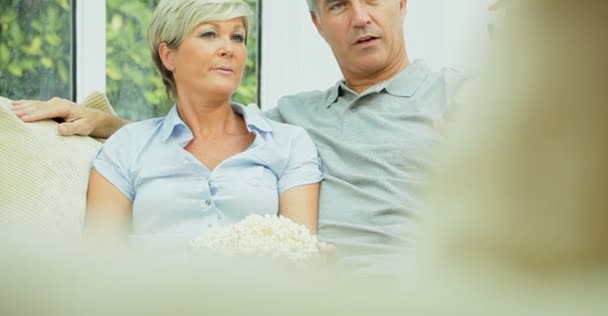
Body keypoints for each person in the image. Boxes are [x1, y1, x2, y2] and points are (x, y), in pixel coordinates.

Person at [12, 0, 466, 273]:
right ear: (318, 24)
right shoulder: (295, 119)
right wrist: (104, 124)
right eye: (337, 5)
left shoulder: (463, 97)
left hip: (418, 291)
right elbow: (204, 136)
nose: (361, 17)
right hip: (315, 304)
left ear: (402, 2)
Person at [44, 0, 323, 249]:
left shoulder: (289, 143)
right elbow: (99, 258)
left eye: (237, 37)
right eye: (209, 34)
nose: (229, 48)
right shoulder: (126, 146)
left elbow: (298, 251)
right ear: (168, 56)